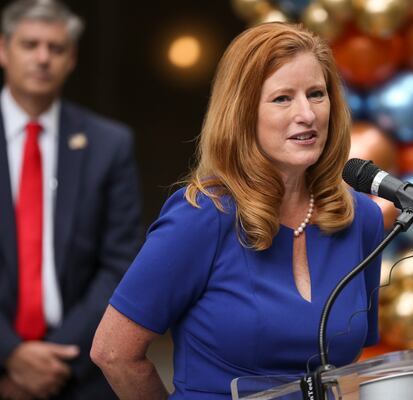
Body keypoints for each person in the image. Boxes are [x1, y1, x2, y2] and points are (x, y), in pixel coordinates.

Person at [91, 22, 383, 399]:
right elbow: (114, 353)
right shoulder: (201, 216)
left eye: (316, 94)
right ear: (243, 112)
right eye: (282, 98)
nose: (307, 114)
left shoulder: (361, 218)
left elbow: (352, 365)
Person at [0, 0, 142, 399]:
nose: (43, 58)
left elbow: (120, 263)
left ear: (72, 58)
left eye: (56, 48)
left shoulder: (109, 144)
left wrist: (51, 363)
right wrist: (11, 354)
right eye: (30, 45)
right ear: (3, 49)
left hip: (78, 372)